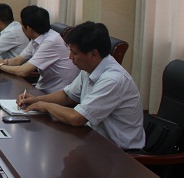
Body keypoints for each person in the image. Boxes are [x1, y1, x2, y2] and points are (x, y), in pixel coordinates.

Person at [16, 21, 145, 151]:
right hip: (94, 141)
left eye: (75, 53)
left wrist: (46, 106)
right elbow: (67, 96)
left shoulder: (112, 80)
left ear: (93, 54)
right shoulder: (90, 68)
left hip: (120, 153)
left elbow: (77, 118)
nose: (70, 57)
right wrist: (36, 100)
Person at [0, 6, 79, 94]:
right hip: (42, 89)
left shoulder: (51, 41)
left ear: (29, 28)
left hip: (55, 95)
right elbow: (18, 60)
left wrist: (0, 66)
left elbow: (23, 71)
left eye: (22, 25)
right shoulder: (38, 37)